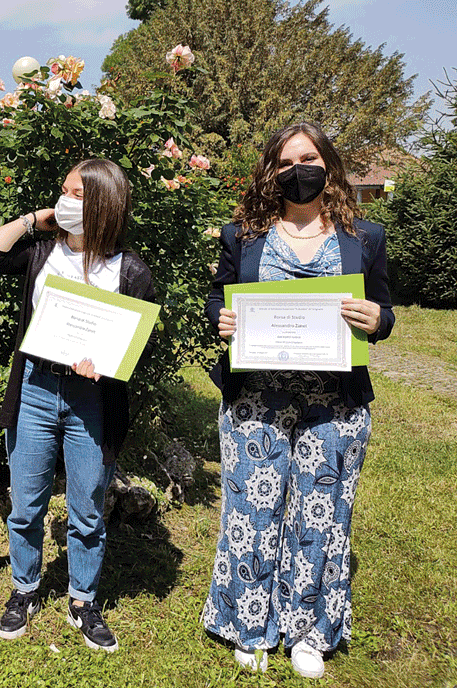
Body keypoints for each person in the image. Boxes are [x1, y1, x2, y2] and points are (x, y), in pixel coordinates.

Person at [201, 122, 393, 679]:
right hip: (256, 398)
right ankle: (250, 625)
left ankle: (309, 629)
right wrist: (221, 317)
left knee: (322, 512)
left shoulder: (366, 238)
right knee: (252, 510)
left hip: (334, 401)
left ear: (328, 164)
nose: (297, 171)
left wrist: (378, 319)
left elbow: (384, 310)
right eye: (285, 164)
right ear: (270, 172)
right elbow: (218, 296)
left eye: (307, 159)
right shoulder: (243, 235)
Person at [0, 159, 156, 652]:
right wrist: (35, 219)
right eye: (64, 190)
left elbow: (138, 349)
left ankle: (83, 600)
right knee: (26, 504)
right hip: (34, 388)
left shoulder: (131, 271)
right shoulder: (40, 252)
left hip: (91, 401)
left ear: (103, 204)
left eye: (77, 194)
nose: (65, 200)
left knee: (88, 509)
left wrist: (109, 365)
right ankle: (24, 590)